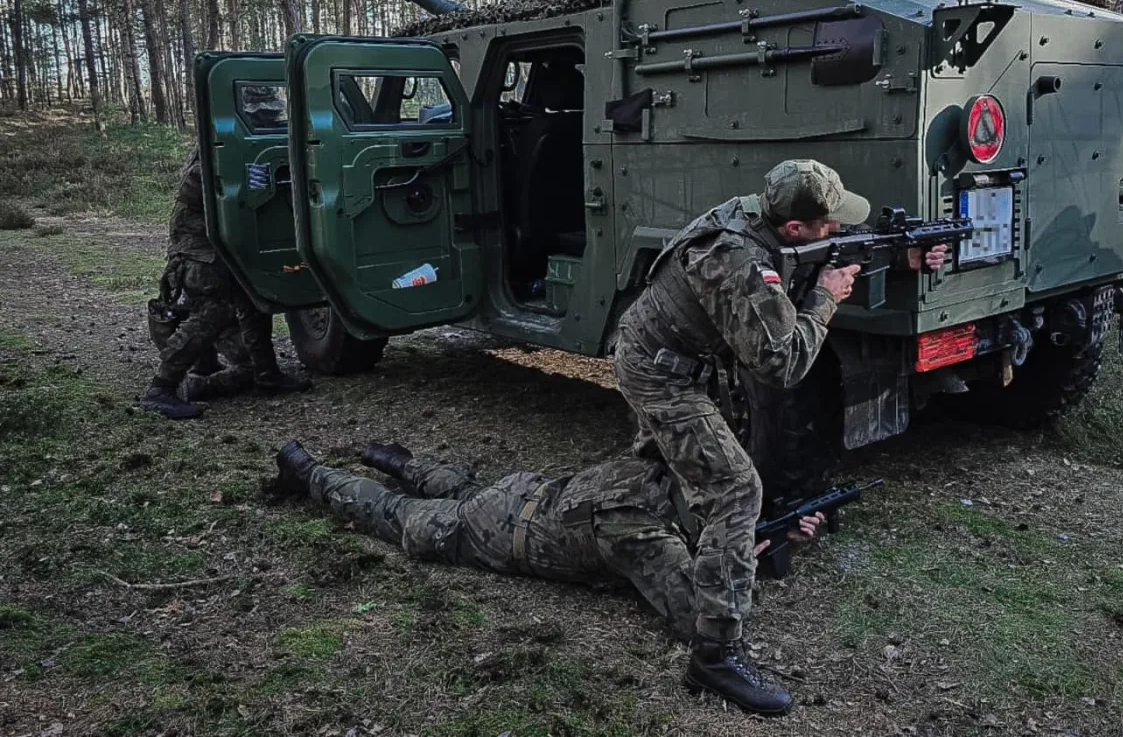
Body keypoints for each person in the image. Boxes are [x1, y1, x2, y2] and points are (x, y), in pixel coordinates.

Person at [612, 159, 949, 713]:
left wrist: (905, 257)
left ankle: (669, 543)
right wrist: (826, 298)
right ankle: (715, 656)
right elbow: (782, 364)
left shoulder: (765, 215)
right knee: (735, 488)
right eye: (827, 223)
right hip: (659, 372)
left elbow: (836, 247)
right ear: (794, 227)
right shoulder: (734, 257)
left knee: (689, 472)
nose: (838, 228)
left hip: (690, 360)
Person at [270, 440, 823, 659]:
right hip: (500, 531)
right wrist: (742, 556)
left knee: (464, 489)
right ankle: (310, 473)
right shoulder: (642, 532)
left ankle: (395, 460)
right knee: (400, 517)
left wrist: (766, 536)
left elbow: (700, 531)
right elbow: (700, 617)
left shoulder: (666, 470)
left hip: (526, 491)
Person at [141, 144, 309, 419]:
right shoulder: (215, 146)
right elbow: (197, 191)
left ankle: (267, 374)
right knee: (212, 312)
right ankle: (161, 388)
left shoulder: (234, 142)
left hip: (227, 243)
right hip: (200, 248)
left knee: (255, 301)